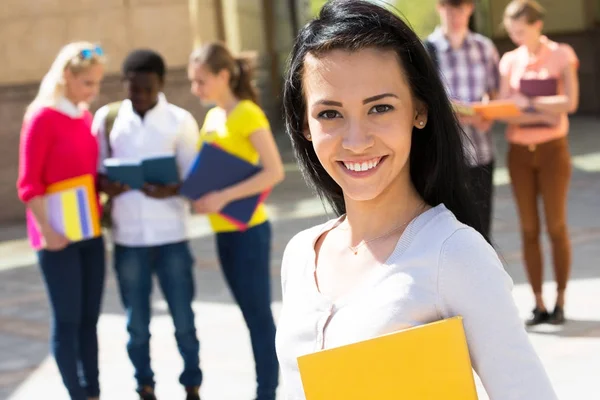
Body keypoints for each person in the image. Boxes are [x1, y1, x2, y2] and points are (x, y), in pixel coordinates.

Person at [276, 1, 558, 399]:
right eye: (330, 114)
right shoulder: (301, 255)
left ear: (419, 111)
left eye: (380, 108)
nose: (356, 141)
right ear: (303, 123)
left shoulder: (454, 254)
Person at [93, 49, 202, 400]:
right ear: (123, 83)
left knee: (183, 320)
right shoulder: (107, 120)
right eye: (132, 89)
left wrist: (171, 188)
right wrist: (109, 184)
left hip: (172, 235)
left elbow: (194, 180)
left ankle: (192, 384)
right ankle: (144, 385)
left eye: (146, 89)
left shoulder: (180, 120)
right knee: (136, 325)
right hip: (128, 238)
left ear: (160, 84)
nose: (139, 95)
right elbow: (96, 173)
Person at [188, 42, 285, 400]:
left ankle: (267, 392)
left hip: (249, 232)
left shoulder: (247, 113)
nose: (196, 89)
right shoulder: (213, 117)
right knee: (249, 315)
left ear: (223, 76)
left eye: (201, 81)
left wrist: (223, 197)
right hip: (223, 232)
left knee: (259, 316)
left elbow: (274, 171)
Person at [16, 42, 106, 400]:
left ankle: (94, 392)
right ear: (67, 76)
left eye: (97, 83)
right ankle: (77, 394)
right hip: (55, 238)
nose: (93, 91)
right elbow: (28, 184)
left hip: (89, 232)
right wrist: (49, 231)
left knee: (89, 321)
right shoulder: (41, 117)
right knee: (67, 320)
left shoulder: (84, 117)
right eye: (87, 83)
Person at [498, 0, 579, 326]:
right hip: (519, 153)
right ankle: (539, 303)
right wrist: (542, 107)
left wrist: (529, 103)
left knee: (556, 227)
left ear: (536, 25)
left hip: (552, 151)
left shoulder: (562, 54)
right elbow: (506, 108)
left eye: (520, 30)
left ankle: (560, 300)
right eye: (511, 32)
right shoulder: (510, 60)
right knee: (529, 229)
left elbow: (569, 102)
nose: (515, 36)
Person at [426, 0, 500, 243]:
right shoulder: (426, 50)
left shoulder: (484, 47)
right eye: (449, 7)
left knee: (481, 230)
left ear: (470, 9)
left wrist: (488, 114)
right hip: (444, 157)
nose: (455, 14)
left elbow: (496, 93)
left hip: (481, 152)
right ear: (439, 7)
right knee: (447, 235)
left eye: (460, 7)